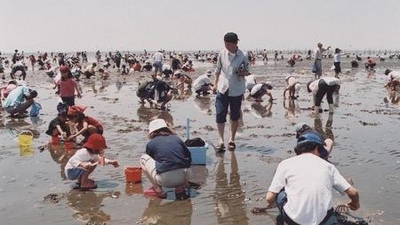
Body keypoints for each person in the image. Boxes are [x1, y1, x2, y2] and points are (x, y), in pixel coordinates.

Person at [265, 132, 360, 225]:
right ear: (317, 148)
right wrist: (355, 203)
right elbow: (353, 192)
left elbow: (269, 198)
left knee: (280, 192)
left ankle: (283, 219)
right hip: (323, 220)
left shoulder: (285, 164)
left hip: (293, 220)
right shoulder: (328, 166)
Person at [212, 32, 250, 151]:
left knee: (235, 116)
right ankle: (221, 139)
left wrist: (242, 73)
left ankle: (232, 139)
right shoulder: (222, 53)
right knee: (220, 113)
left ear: (236, 43)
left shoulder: (243, 55)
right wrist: (215, 84)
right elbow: (217, 70)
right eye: (225, 44)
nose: (227, 47)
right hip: (222, 88)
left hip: (237, 89)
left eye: (229, 45)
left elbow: (247, 71)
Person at [140, 119, 191, 198]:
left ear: (152, 132)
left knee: (143, 158)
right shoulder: (177, 139)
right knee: (181, 164)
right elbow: (189, 157)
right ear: (167, 129)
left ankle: (158, 190)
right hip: (183, 177)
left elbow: (152, 160)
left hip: (166, 180)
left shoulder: (151, 143)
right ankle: (181, 187)